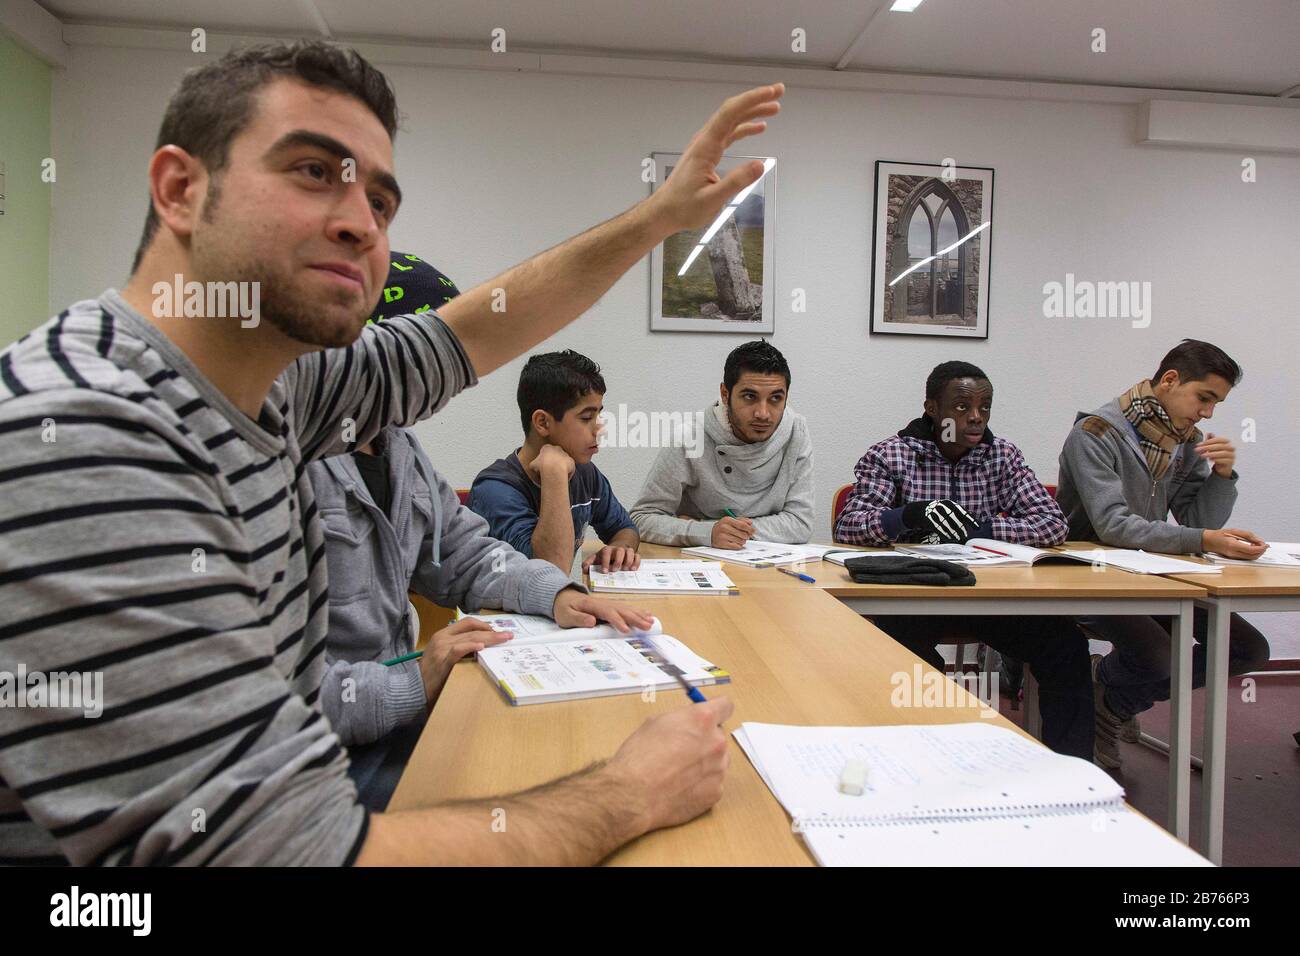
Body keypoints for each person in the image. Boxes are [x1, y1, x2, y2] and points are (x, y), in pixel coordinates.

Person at [0, 38, 781, 865]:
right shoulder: (92, 436)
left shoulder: (285, 388)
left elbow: (471, 332)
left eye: (381, 201)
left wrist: (658, 219)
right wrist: (628, 793)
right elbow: (285, 856)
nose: (359, 224)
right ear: (180, 189)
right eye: (312, 171)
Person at [308, 255, 649, 811]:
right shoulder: (288, 464)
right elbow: (262, 702)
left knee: (556, 761)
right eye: (438, 359)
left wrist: (557, 594)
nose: (449, 384)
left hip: (395, 725)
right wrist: (415, 680)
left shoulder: (401, 452)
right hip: (327, 765)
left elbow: (467, 556)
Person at [834, 361, 1093, 760]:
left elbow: (1052, 525)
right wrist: (904, 516)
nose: (975, 417)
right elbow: (848, 527)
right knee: (908, 660)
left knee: (1065, 647)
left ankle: (1074, 773)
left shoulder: (1001, 456)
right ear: (932, 408)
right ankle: (923, 760)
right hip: (914, 599)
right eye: (961, 407)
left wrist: (980, 531)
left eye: (985, 407)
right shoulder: (893, 455)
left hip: (991, 599)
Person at [1056, 339, 1270, 769]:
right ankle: (1113, 696)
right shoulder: (1094, 434)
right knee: (1159, 657)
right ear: (1170, 380)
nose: (1207, 413)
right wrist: (1206, 540)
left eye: (1216, 404)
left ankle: (1111, 700)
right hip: (1090, 573)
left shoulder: (1183, 442)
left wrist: (1222, 477)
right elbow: (1113, 526)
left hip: (1152, 571)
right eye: (1204, 398)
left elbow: (1195, 517)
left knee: (1249, 649)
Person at [469, 350, 642, 574]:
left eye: (599, 415)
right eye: (586, 418)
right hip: (499, 608)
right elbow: (548, 570)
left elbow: (625, 528)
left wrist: (620, 548)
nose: (599, 428)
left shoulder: (585, 473)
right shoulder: (495, 490)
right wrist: (554, 475)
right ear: (542, 422)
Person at [631, 340, 813, 549]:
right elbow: (641, 518)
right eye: (749, 396)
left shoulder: (796, 431)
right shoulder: (690, 436)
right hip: (701, 565)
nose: (763, 413)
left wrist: (716, 529)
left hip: (771, 565)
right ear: (725, 394)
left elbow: (801, 523)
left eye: (775, 398)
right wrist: (707, 533)